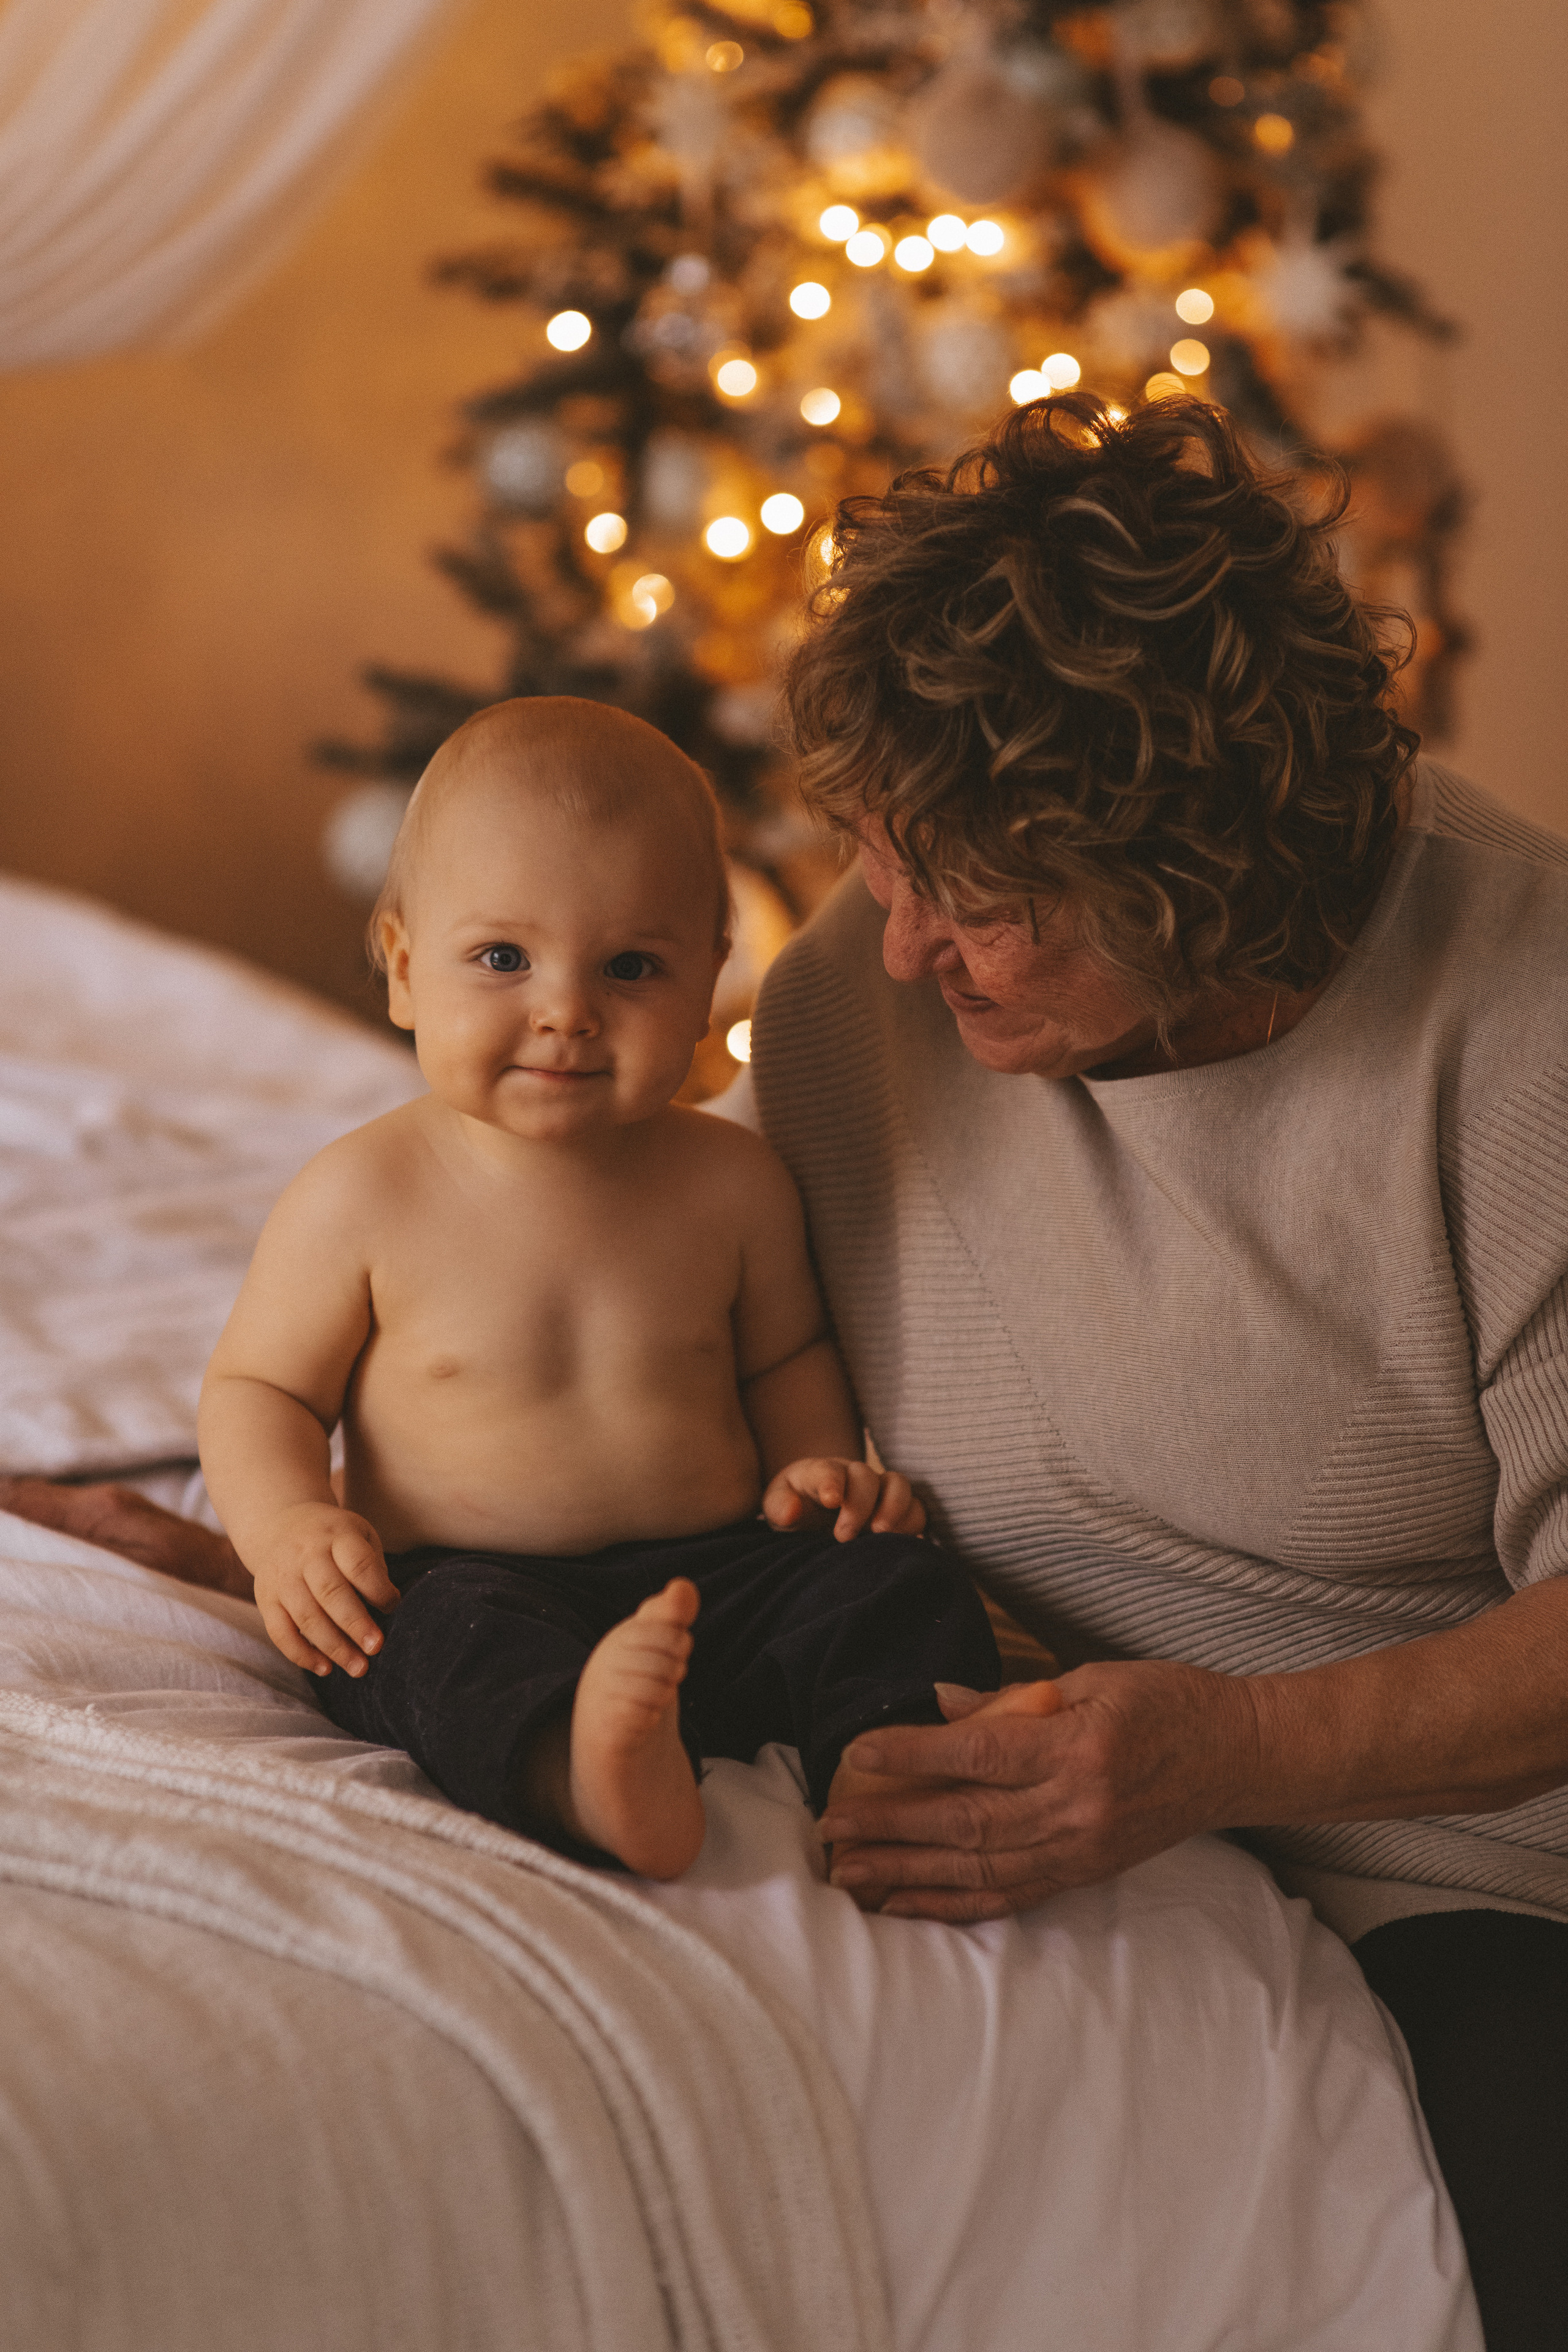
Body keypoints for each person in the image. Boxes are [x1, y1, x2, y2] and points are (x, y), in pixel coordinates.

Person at [745, 391, 1567, 2350]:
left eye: (987, 901)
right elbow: (663, 1364)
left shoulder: (1524, 1028)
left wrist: (1225, 1754)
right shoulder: (836, 1026)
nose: (900, 950)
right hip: (1049, 1808)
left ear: (1205, 874)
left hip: (1468, 1863)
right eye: (877, 857)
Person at [194, 695, 1042, 1878]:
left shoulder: (734, 1184)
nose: (566, 1012)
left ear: (707, 981)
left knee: (891, 1586)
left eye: (632, 966)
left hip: (726, 1574)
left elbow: (786, 1357)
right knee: (408, 1648)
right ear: (400, 967)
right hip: (474, 1578)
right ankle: (579, 1773)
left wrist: (816, 1470)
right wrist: (286, 1524)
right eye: (502, 958)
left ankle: (892, 1770)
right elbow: (258, 1389)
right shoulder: (361, 1195)